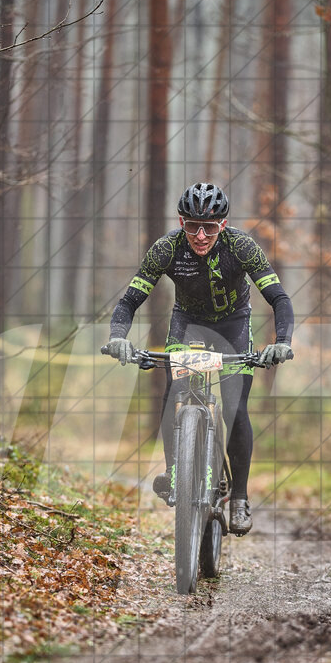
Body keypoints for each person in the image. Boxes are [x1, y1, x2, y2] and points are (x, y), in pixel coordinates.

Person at [101, 182, 294, 535]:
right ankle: (176, 473)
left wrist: (281, 341)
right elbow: (129, 301)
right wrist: (118, 338)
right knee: (173, 390)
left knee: (236, 407)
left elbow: (279, 298)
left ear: (224, 223)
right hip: (188, 324)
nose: (201, 235)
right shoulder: (166, 249)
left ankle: (238, 497)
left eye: (209, 226)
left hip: (234, 324)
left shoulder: (242, 246)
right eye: (192, 226)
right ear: (181, 222)